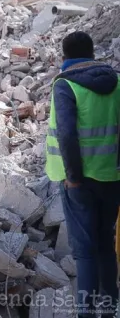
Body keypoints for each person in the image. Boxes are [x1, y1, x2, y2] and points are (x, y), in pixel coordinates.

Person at [45, 31, 120, 318]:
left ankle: (86, 313)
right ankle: (109, 308)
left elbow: (66, 134)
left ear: (64, 57)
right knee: (105, 244)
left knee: (85, 250)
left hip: (80, 181)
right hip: (112, 178)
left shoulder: (65, 85)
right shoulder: (117, 82)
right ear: (92, 53)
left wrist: (73, 176)